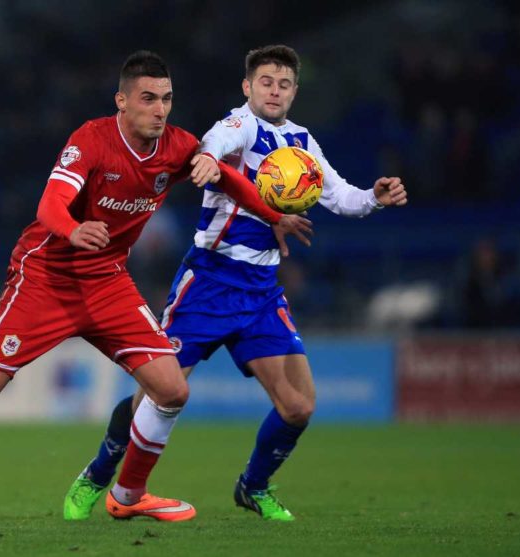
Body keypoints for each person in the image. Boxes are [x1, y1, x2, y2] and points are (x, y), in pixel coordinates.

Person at [0, 50, 306, 527]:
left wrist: (275, 215)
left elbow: (230, 179)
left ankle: (129, 495)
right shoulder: (91, 141)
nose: (160, 109)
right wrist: (73, 230)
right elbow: (50, 205)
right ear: (122, 102)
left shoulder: (177, 146)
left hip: (107, 281)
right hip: (46, 278)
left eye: (167, 99)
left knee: (172, 389)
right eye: (148, 99)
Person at [64, 45, 408, 522]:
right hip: (208, 281)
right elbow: (213, 144)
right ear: (248, 87)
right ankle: (99, 472)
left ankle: (253, 486)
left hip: (262, 289)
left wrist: (373, 197)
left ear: (294, 92)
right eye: (265, 81)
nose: (275, 91)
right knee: (156, 394)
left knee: (299, 406)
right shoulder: (237, 126)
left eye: (284, 84)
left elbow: (340, 195)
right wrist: (206, 160)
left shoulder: (303, 143)